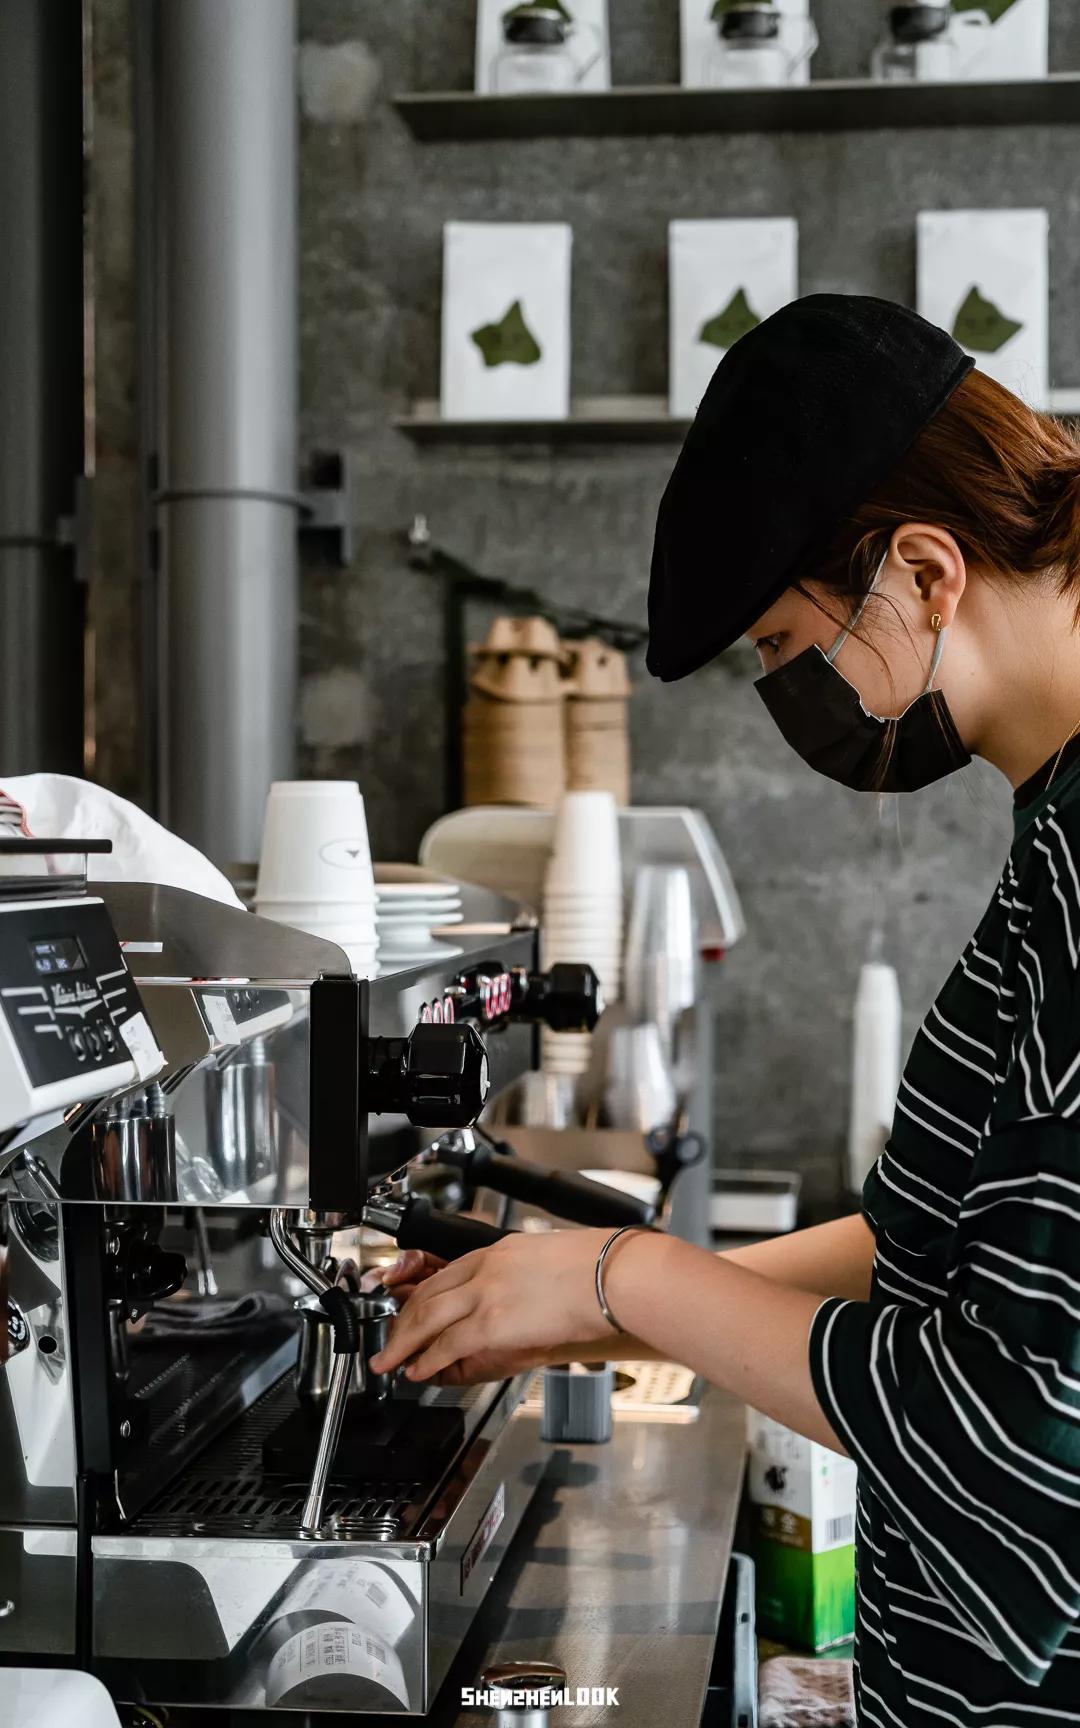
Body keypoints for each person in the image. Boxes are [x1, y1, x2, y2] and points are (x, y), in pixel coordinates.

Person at [370, 296, 1080, 1725]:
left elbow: (1023, 1429)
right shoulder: (1054, 828)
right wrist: (589, 1308)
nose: (786, 696)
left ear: (924, 572)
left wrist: (624, 1281)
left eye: (779, 645)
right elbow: (935, 1252)